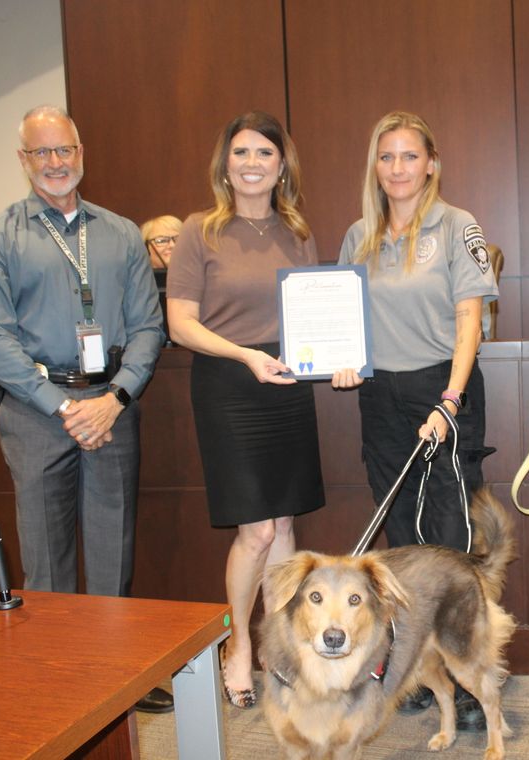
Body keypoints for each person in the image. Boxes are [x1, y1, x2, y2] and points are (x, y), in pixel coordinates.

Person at [0, 106, 170, 713]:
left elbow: (148, 329)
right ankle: (53, 683)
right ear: (23, 161)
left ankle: (117, 682)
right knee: (46, 560)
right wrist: (63, 407)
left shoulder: (122, 233)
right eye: (41, 153)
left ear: (82, 153)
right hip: (35, 411)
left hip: (112, 405)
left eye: (65, 150)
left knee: (113, 552)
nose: (55, 163)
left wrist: (114, 400)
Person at [332, 111, 498, 729]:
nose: (397, 169)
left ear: (431, 163)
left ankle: (472, 669)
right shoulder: (359, 235)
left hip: (442, 388)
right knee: (400, 536)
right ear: (374, 167)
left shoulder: (459, 226)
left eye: (409, 156)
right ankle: (422, 668)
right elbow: (345, 324)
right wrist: (345, 362)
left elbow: (469, 322)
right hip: (379, 395)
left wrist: (449, 400)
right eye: (386, 157)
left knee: (450, 538)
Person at [166, 111, 325, 710]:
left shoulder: (298, 231)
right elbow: (180, 324)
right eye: (241, 153)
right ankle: (237, 646)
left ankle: (277, 645)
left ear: (282, 165)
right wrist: (245, 356)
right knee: (255, 529)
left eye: (264, 153)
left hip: (286, 384)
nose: (252, 163)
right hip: (230, 387)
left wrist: (335, 358)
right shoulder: (198, 230)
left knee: (285, 525)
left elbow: (315, 315)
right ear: (224, 164)